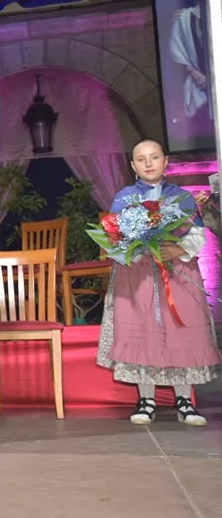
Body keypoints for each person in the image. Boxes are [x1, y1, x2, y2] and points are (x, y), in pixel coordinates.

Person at [97, 138, 220, 426]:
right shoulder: (124, 198)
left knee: (180, 332)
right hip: (136, 277)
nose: (149, 163)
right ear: (132, 166)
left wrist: (177, 248)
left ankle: (185, 401)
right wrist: (133, 248)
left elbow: (197, 234)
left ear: (166, 161)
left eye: (154, 157)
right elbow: (113, 238)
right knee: (143, 333)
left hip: (177, 275)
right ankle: (146, 399)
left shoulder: (182, 197)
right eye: (141, 159)